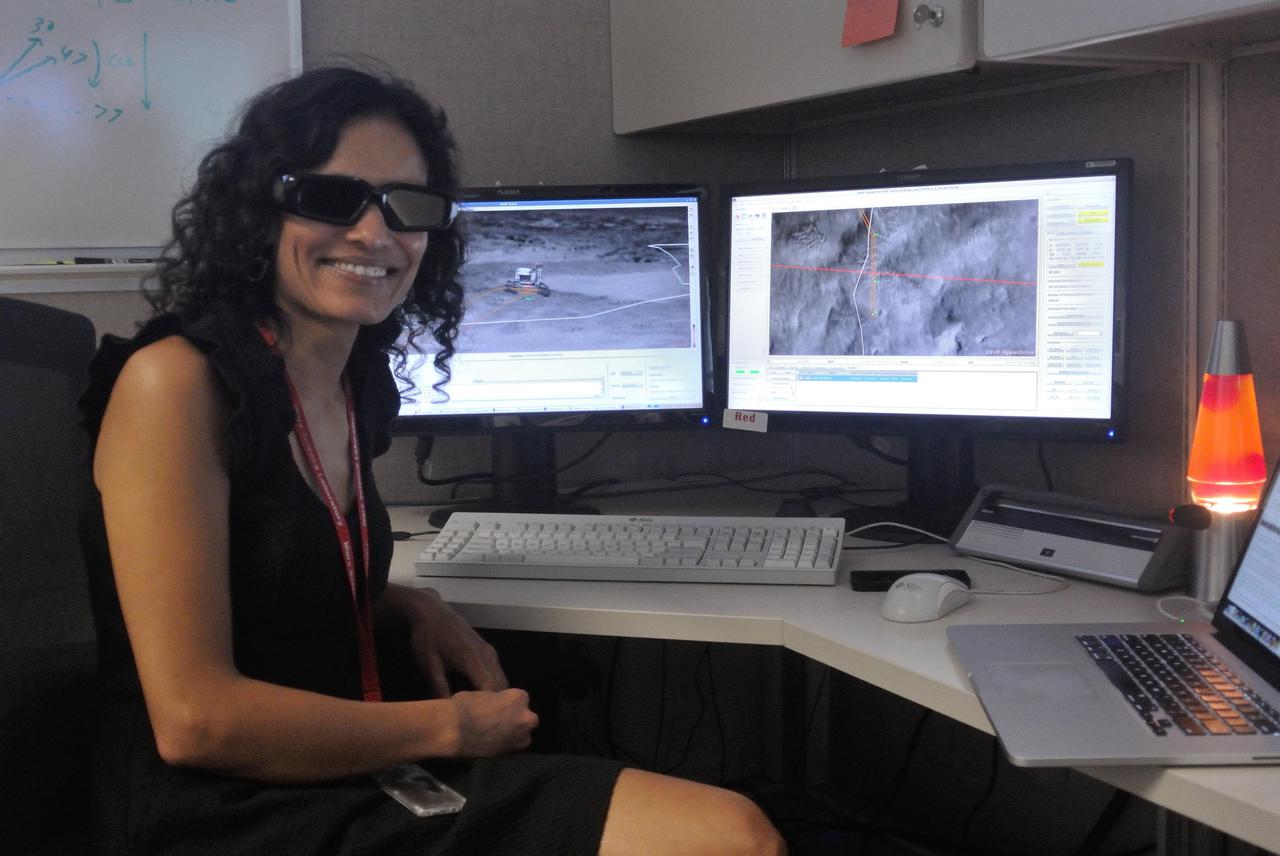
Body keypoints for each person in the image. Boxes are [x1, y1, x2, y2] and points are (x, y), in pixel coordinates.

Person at [78, 64, 786, 855]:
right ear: (259, 211)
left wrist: (408, 606)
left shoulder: (349, 382)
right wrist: (450, 727)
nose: (374, 234)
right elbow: (195, 722)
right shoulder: (176, 384)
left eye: (405, 207)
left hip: (339, 759)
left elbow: (271, 579)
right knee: (733, 836)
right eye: (329, 198)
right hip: (221, 807)